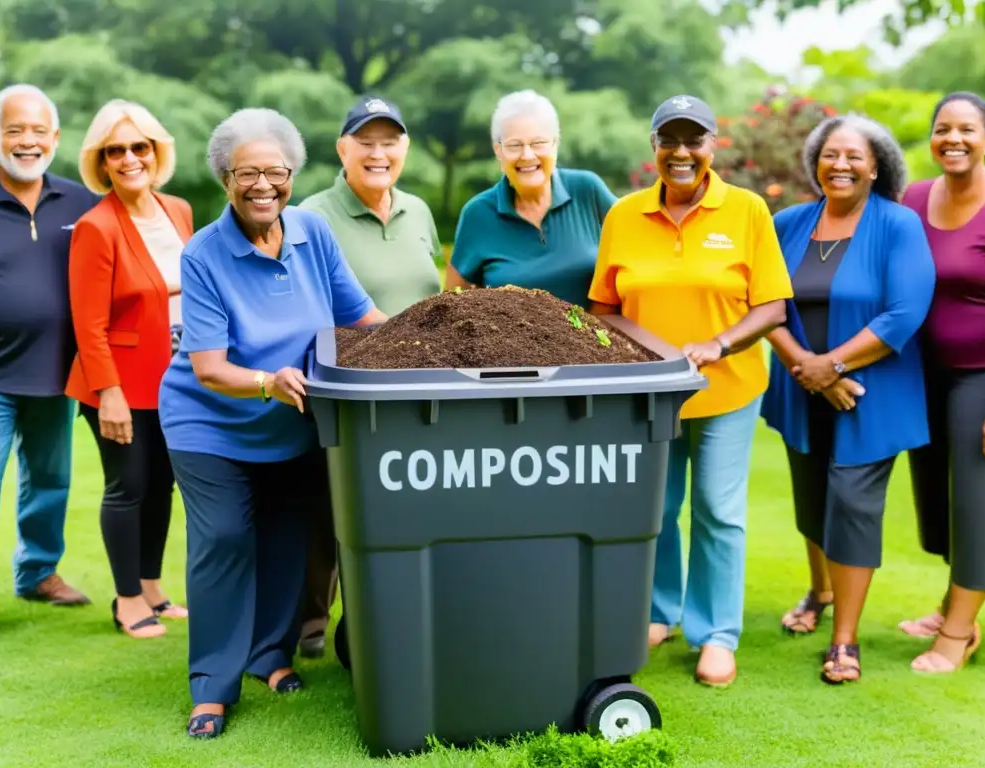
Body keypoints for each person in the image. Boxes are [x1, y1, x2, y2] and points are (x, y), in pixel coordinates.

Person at [158, 107, 387, 738]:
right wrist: (268, 382)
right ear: (225, 179)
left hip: (293, 420)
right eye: (247, 173)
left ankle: (269, 656)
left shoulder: (313, 234)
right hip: (211, 422)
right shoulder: (205, 254)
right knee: (227, 538)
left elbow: (361, 319)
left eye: (276, 172)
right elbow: (208, 367)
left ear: (291, 174)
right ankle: (211, 685)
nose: (263, 185)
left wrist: (429, 342)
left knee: (290, 539)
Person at [588, 94, 792, 687]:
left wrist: (719, 343)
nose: (681, 152)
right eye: (669, 139)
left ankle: (716, 634)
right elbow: (603, 307)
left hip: (726, 388)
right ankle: (660, 613)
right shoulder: (623, 215)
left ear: (712, 146)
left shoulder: (748, 210)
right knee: (656, 507)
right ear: (653, 146)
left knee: (718, 510)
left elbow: (772, 305)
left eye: (693, 139)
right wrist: (645, 354)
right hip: (649, 396)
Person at [761, 114, 935, 684]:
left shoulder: (898, 224)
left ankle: (845, 641)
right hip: (799, 384)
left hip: (870, 391)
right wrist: (804, 368)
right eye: (830, 154)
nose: (841, 165)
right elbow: (763, 302)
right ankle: (819, 592)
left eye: (854, 156)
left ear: (877, 165)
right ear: (816, 162)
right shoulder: (787, 222)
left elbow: (905, 311)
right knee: (812, 503)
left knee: (853, 507)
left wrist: (831, 365)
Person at [296, 96, 442, 657]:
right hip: (351, 393)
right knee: (330, 511)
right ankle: (312, 619)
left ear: (404, 148)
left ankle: (392, 617)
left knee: (403, 511)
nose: (378, 153)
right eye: (365, 141)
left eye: (390, 142)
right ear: (342, 149)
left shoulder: (418, 211)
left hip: (422, 393)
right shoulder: (312, 216)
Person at [66, 99, 193, 639]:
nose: (127, 158)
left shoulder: (178, 210)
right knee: (129, 485)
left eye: (138, 147)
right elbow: (87, 323)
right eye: (114, 150)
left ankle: (152, 586)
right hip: (118, 382)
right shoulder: (96, 227)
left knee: (162, 484)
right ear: (101, 162)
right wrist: (109, 393)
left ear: (155, 151)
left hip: (175, 378)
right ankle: (126, 600)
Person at [0, 84, 97, 652]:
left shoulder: (81, 203)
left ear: (54, 139)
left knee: (51, 480)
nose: (26, 142)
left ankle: (36, 573)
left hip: (57, 375)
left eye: (37, 132)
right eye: (14, 130)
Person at [900, 92, 985, 672]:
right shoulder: (915, 198)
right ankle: (951, 607)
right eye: (943, 128)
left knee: (981, 507)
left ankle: (958, 635)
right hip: (925, 377)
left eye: (967, 129)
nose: (954, 139)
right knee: (942, 507)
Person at [446, 89, 616, 307]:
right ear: (498, 150)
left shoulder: (587, 190)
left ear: (555, 144)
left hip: (596, 338)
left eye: (538, 143)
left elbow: (636, 248)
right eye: (515, 145)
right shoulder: (478, 213)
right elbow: (449, 305)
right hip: (507, 341)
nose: (527, 156)